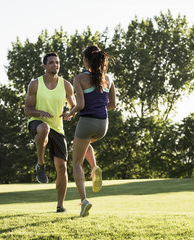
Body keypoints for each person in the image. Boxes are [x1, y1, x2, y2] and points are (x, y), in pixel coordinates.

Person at [65, 45, 116, 217]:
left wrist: (69, 113)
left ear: (86, 60)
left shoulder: (79, 78)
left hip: (87, 122)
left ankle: (84, 201)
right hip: (103, 125)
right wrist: (98, 109)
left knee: (76, 163)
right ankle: (94, 168)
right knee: (84, 143)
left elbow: (80, 105)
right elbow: (112, 105)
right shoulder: (108, 78)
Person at [24, 52, 76, 213]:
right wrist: (39, 113)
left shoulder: (66, 85)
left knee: (62, 168)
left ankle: (60, 206)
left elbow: (74, 106)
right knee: (44, 128)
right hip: (36, 122)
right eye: (52, 63)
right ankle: (40, 164)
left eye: (57, 62)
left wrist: (70, 113)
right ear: (44, 66)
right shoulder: (35, 84)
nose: (55, 65)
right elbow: (27, 110)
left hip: (58, 128)